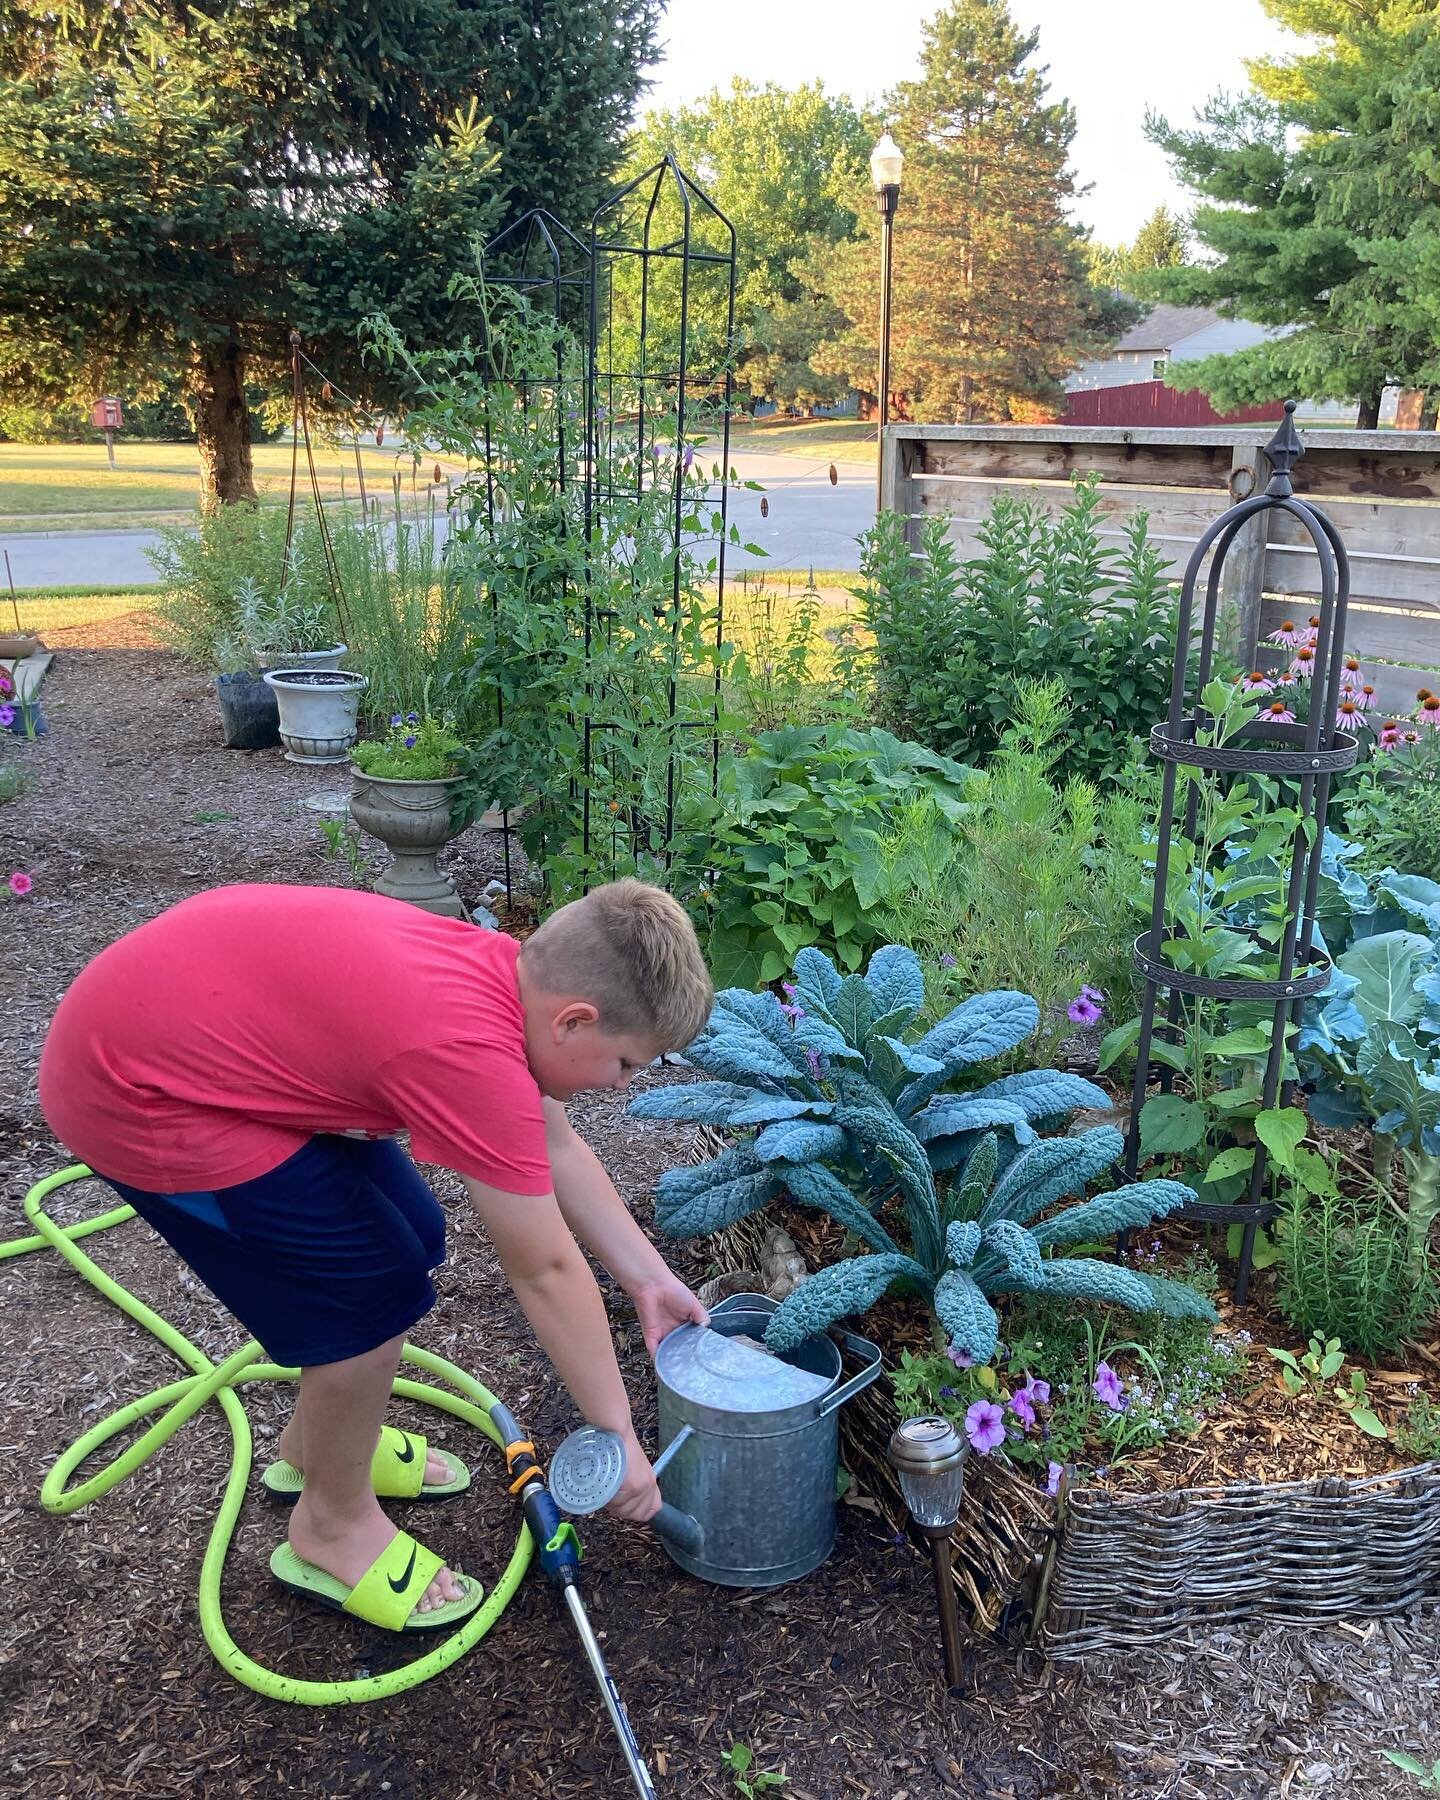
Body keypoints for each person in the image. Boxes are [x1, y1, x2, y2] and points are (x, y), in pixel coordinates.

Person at [38, 878, 714, 1634]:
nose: (621, 1085)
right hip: (135, 1092)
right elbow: (544, 1269)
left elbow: (555, 1142)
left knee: (411, 1236)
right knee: (365, 1294)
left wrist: (649, 1278)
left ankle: (318, 1449)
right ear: (575, 1020)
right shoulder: (468, 1049)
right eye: (624, 1064)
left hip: (181, 1026)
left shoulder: (507, 978)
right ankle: (331, 1525)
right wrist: (616, 1433)